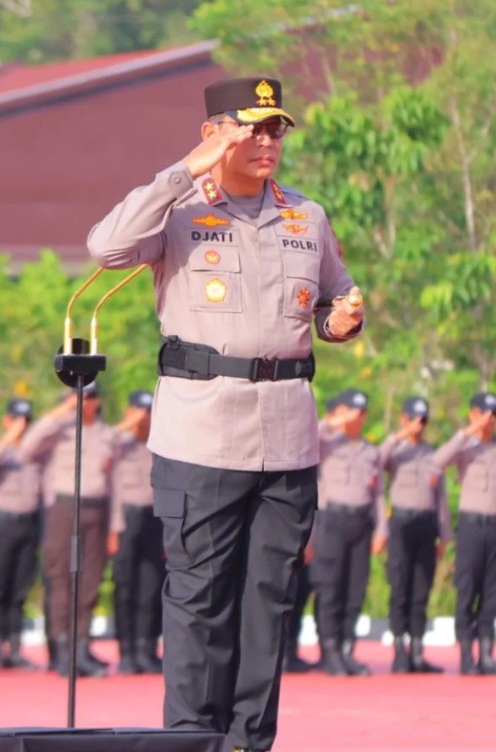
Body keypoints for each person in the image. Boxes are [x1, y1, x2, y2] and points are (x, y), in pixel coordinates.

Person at [87, 76, 364, 752]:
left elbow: (333, 299)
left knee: (268, 603)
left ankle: (249, 744)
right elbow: (107, 247)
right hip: (202, 436)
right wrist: (186, 169)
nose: (268, 142)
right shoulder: (177, 210)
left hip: (288, 438)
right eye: (252, 129)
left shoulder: (307, 217)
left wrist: (344, 320)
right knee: (200, 602)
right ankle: (189, 743)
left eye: (276, 130)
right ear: (216, 133)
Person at [22, 383, 117, 678]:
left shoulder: (107, 436)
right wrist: (60, 411)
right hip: (65, 508)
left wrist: (115, 526)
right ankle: (62, 650)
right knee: (61, 579)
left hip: (97, 509)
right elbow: (26, 448)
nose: (84, 402)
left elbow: (114, 484)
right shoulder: (59, 430)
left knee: (89, 582)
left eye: (89, 397)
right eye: (79, 396)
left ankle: (81, 647)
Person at [433, 392, 496, 676]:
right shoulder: (465, 449)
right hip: (471, 527)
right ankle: (467, 656)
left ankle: (487, 655)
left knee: (492, 593)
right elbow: (437, 461)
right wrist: (469, 431)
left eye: (495, 414)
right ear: (473, 414)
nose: (490, 419)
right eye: (485, 413)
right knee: (467, 590)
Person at [313, 388, 380, 677]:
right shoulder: (327, 443)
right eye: (353, 411)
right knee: (330, 588)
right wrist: (338, 422)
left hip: (361, 523)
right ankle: (329, 653)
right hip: (332, 521)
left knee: (355, 589)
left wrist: (382, 529)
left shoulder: (370, 451)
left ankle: (346, 649)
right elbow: (311, 433)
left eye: (361, 412)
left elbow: (378, 493)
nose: (358, 418)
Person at [378, 396, 447, 674]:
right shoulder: (395, 452)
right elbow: (376, 460)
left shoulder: (432, 454)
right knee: (399, 585)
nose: (420, 425)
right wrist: (401, 435)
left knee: (421, 588)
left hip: (426, 524)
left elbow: (440, 496)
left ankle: (418, 651)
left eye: (424, 420)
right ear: (404, 419)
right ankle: (399, 650)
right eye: (415, 419)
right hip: (401, 523)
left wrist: (444, 534)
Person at [0, 397, 42, 671]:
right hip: (3, 522)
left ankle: (15, 648)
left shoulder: (35, 453)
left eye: (25, 421)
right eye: (16, 420)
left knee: (20, 588)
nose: (22, 426)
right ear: (6, 421)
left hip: (29, 523)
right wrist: (8, 439)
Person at [110, 390, 163, 675]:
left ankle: (147, 649)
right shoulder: (119, 443)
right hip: (125, 519)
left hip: (154, 518)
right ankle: (127, 651)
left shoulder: (158, 443)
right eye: (141, 411)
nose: (146, 418)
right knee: (125, 587)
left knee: (151, 586)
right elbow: (102, 444)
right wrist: (129, 424)